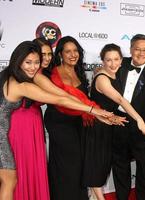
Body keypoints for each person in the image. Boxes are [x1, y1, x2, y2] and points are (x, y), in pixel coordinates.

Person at [0, 41, 111, 200]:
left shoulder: (6, 74)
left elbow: (61, 95)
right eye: (28, 62)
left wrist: (89, 108)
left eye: (36, 62)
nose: (33, 67)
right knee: (9, 182)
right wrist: (92, 110)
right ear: (18, 60)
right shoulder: (21, 85)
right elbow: (59, 100)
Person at [82, 43, 145, 200]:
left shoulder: (117, 73)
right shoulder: (102, 79)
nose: (113, 64)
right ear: (102, 61)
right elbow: (120, 99)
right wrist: (139, 119)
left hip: (109, 125)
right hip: (97, 127)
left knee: (103, 166)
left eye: (116, 59)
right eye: (108, 60)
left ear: (122, 60)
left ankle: (94, 196)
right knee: (97, 167)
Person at [43, 36, 104, 200]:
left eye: (75, 50)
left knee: (78, 163)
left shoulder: (79, 70)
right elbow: (61, 99)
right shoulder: (52, 73)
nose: (72, 54)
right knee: (66, 163)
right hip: (59, 123)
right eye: (68, 51)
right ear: (60, 54)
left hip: (79, 122)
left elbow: (84, 98)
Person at [111, 34, 145, 200]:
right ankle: (122, 197)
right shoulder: (120, 64)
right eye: (138, 49)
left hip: (141, 125)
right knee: (120, 164)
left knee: (144, 167)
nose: (142, 53)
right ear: (131, 49)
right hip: (118, 121)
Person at [7, 37, 54, 200]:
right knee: (22, 168)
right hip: (20, 125)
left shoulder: (41, 74)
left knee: (34, 168)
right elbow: (60, 98)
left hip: (34, 121)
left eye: (49, 54)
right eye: (43, 54)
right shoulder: (29, 76)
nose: (46, 58)